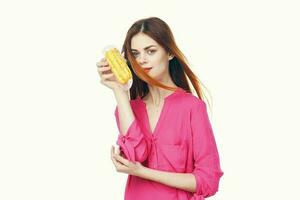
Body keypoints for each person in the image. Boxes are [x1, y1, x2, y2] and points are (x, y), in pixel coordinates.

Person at [97, 17, 224, 200]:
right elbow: (136, 155)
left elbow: (208, 181)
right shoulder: (127, 109)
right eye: (135, 54)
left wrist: (143, 172)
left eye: (150, 51)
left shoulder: (192, 107)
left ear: (169, 53)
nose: (142, 60)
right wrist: (119, 91)